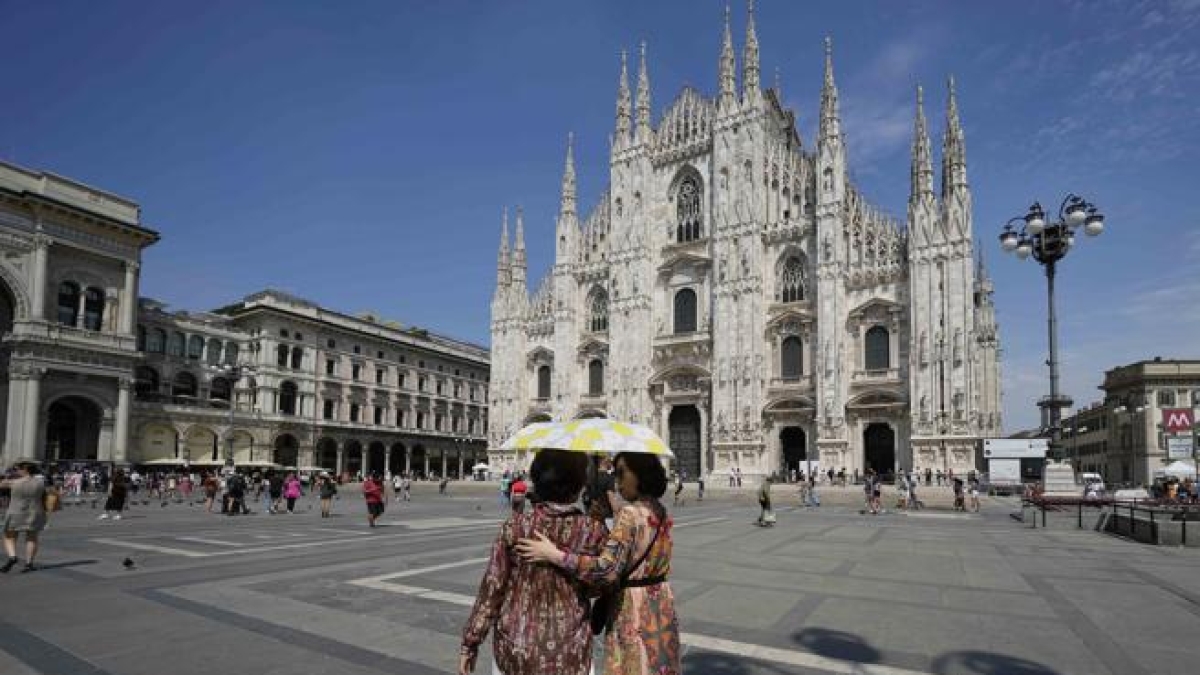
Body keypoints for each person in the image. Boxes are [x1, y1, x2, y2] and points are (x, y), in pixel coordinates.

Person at [516, 452, 682, 675]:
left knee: (633, 666)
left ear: (640, 474)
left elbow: (607, 570)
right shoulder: (659, 510)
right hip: (660, 602)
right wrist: (606, 520)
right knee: (657, 665)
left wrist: (555, 554)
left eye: (622, 473)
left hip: (633, 607)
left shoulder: (630, 514)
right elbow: (632, 553)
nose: (617, 480)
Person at [459, 449, 607, 675]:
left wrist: (470, 644)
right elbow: (604, 582)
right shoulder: (592, 531)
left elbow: (492, 589)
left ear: (536, 481)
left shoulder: (515, 527)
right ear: (579, 486)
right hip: (570, 651)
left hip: (516, 648)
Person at [2, 462, 48, 573]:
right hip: (35, 511)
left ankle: (12, 557)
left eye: (18, 469)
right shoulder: (41, 482)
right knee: (32, 537)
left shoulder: (13, 482)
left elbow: (2, 484)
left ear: (25, 469)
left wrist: (8, 475)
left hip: (16, 511)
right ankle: (29, 564)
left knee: (9, 536)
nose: (16, 471)